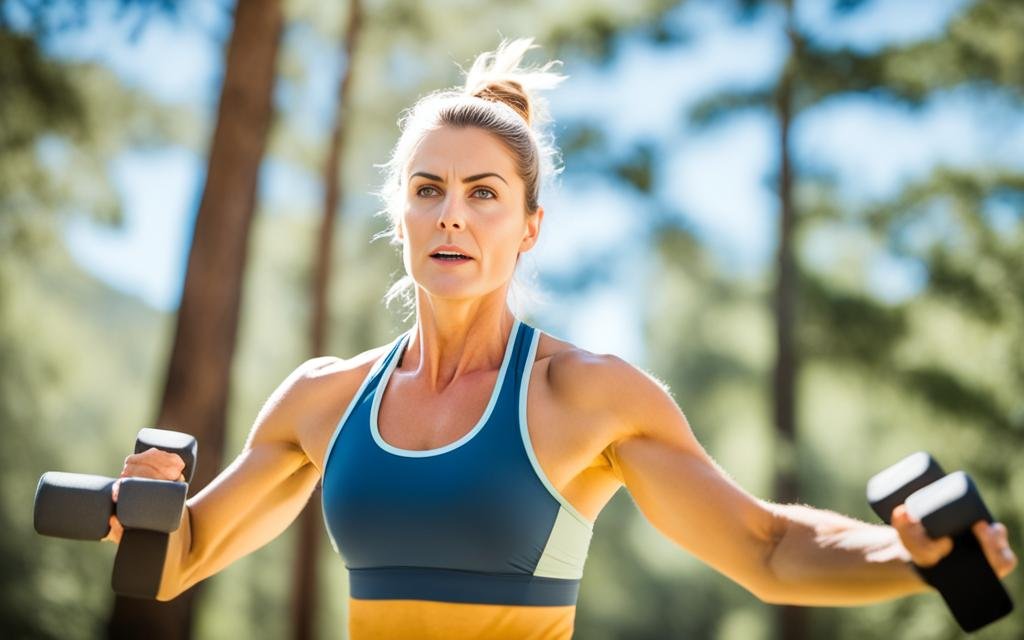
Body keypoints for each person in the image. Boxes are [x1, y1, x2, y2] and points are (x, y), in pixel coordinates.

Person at [104, 38, 1017, 639]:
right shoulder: (323, 399)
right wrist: (138, 513)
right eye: (428, 190)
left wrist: (904, 557)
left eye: (484, 194)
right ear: (399, 215)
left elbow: (767, 548)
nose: (452, 216)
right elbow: (179, 561)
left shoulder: (584, 396)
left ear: (530, 226)